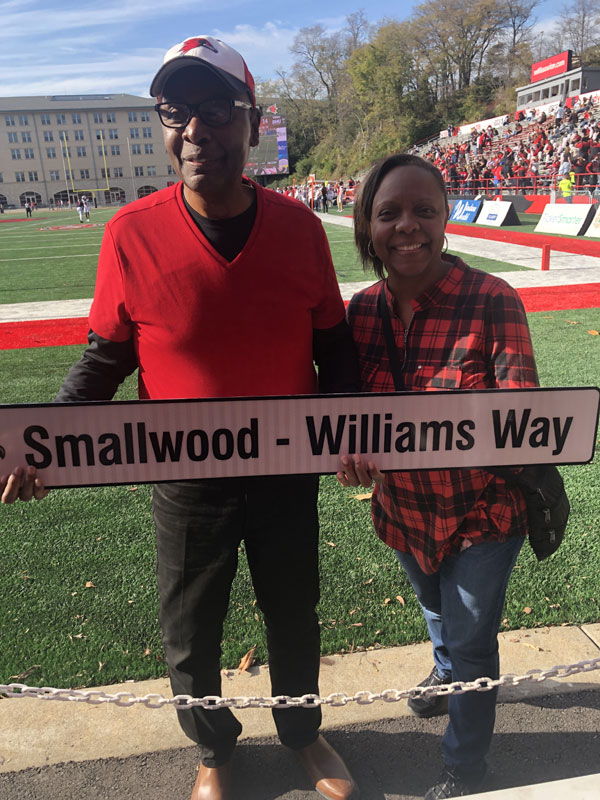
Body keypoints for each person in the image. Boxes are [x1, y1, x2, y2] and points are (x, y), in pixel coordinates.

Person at [1, 35, 360, 800]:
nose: (196, 128)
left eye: (216, 109)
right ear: (163, 123)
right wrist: (42, 445)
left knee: (294, 614)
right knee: (191, 631)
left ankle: (303, 734)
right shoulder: (130, 232)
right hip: (187, 479)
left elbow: (336, 353)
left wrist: (354, 438)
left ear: (252, 121)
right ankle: (213, 750)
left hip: (285, 473)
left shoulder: (299, 229)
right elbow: (105, 360)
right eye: (176, 109)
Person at [336, 153, 538, 799]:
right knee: (434, 609)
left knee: (473, 640)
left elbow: (520, 417)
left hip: (484, 510)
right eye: (389, 213)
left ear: (446, 216)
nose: (407, 226)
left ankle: (465, 765)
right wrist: (350, 452)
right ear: (367, 225)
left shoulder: (492, 299)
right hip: (404, 507)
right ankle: (445, 670)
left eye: (424, 210)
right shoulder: (361, 312)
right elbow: (346, 416)